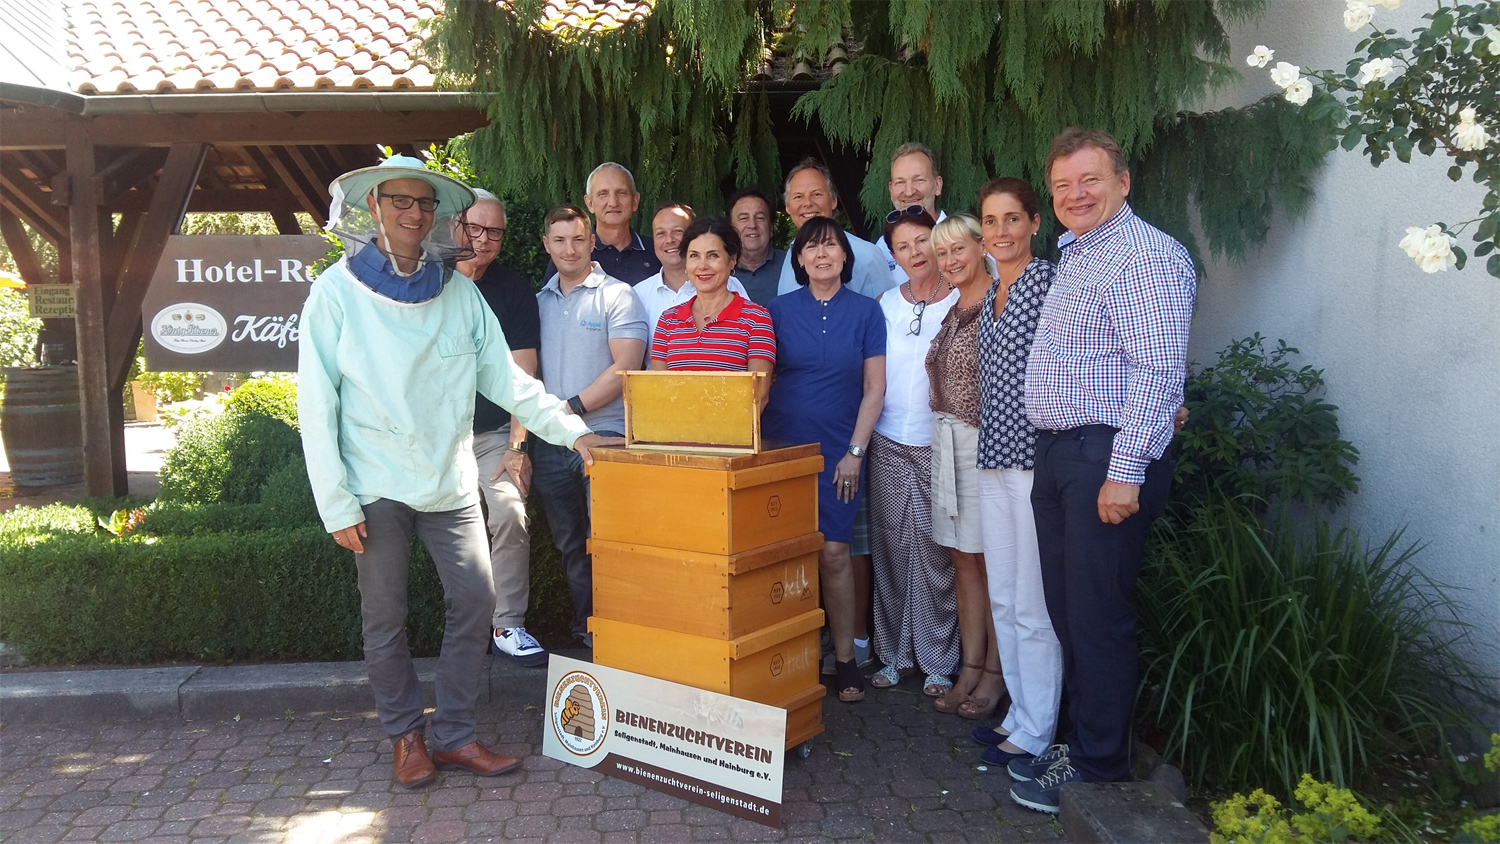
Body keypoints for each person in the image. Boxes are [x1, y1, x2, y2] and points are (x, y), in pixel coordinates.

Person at [298, 157, 619, 789]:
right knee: (385, 619)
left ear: (437, 215)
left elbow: (508, 381)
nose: (413, 213)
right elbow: (317, 403)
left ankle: (453, 736)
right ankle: (406, 739)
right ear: (373, 207)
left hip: (449, 480)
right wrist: (335, 502)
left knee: (476, 600)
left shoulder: (460, 292)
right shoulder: (334, 293)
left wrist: (574, 432)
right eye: (399, 200)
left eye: (423, 203)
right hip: (374, 483)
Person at [1007, 128, 1195, 814]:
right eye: (1062, 185)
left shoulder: (1146, 255)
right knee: (1069, 611)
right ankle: (1085, 744)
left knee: (1096, 616)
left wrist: (1127, 469)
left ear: (1123, 181)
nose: (1075, 194)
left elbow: (1158, 370)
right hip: (1064, 452)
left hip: (1104, 457)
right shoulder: (1082, 252)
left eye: (1089, 180)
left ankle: (1100, 767)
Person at [762, 216, 886, 704]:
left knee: (834, 553)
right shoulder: (775, 312)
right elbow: (761, 379)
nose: (821, 254)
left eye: (830, 246)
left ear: (845, 256)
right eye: (811, 247)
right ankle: (796, 658)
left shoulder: (867, 312)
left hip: (839, 451)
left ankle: (846, 658)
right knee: (787, 555)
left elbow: (874, 388)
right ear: (798, 259)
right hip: (783, 451)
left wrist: (856, 451)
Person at [963, 177, 1062, 768]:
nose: (1000, 231)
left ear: (1033, 223)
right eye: (990, 221)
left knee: (1031, 603)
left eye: (1011, 219)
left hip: (1032, 462)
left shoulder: (1048, 282)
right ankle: (1020, 715)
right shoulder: (992, 289)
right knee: (1003, 596)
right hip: (992, 456)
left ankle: (1039, 729)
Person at [531, 205, 650, 647]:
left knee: (609, 541)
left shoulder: (618, 295)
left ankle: (622, 633)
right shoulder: (537, 302)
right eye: (560, 240)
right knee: (570, 545)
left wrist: (568, 409)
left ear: (592, 242)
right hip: (551, 445)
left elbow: (626, 367)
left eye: (578, 239)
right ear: (546, 245)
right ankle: (591, 631)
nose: (570, 249)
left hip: (606, 438)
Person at [864, 207, 962, 699]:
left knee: (936, 552)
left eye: (922, 241)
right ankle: (894, 654)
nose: (914, 253)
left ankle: (939, 659)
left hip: (937, 441)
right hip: (887, 439)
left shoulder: (962, 299)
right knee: (890, 549)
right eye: (902, 246)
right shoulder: (885, 303)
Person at [453, 190, 548, 668]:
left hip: (493, 435)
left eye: (494, 231)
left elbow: (524, 376)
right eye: (474, 227)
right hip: (437, 436)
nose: (483, 239)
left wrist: (517, 448)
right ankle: (461, 626)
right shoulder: (429, 282)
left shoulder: (513, 291)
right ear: (455, 225)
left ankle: (507, 624)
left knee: (509, 511)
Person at [924, 213, 1004, 722]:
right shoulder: (954, 308)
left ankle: (996, 672)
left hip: (983, 446)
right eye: (942, 253)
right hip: (947, 440)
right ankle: (970, 667)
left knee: (991, 561)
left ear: (981, 247)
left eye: (959, 249)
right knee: (961, 558)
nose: (950, 260)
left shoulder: (1000, 302)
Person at [650, 216, 775, 383]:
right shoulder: (668, 320)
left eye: (713, 255)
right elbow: (658, 389)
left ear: (732, 260)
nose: (702, 266)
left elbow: (758, 393)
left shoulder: (757, 319)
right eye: (694, 255)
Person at [774, 159, 896, 300]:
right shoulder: (792, 252)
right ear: (788, 207)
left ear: (833, 201)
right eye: (798, 197)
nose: (807, 203)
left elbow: (886, 311)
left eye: (816, 194)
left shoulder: (868, 256)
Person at [634, 202, 750, 346]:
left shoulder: (730, 286)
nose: (669, 240)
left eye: (678, 231)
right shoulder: (638, 294)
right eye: (661, 233)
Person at [543, 162, 660, 285]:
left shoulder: (656, 252)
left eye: (621, 193)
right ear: (590, 203)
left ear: (635, 201)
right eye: (603, 194)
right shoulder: (572, 255)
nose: (613, 203)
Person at [876, 143, 948, 285]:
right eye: (900, 182)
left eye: (919, 180)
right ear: (890, 190)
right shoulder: (881, 248)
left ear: (937, 185)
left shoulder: (963, 237)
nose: (909, 192)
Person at [726, 187, 785, 306]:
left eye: (760, 218)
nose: (752, 225)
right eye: (743, 218)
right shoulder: (720, 269)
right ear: (730, 229)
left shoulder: (791, 264)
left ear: (771, 228)